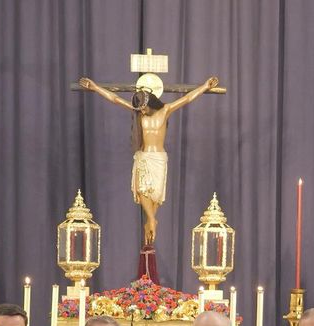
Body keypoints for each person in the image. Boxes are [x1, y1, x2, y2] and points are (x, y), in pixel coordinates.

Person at [79, 73, 221, 247]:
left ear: (150, 103)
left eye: (144, 108)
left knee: (155, 194)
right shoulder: (139, 113)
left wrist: (205, 86)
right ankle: (152, 220)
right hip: (144, 156)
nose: (142, 112)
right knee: (142, 189)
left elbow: (187, 98)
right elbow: (115, 99)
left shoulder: (165, 110)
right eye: (140, 110)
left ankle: (151, 220)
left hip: (159, 158)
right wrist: (95, 87)